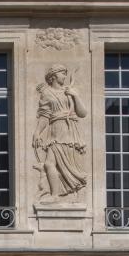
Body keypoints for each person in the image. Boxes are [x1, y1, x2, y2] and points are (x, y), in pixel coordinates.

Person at [33, 64, 88, 200]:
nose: (64, 76)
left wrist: (75, 96)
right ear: (53, 76)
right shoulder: (46, 93)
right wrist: (37, 132)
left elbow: (82, 113)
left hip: (69, 131)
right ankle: (55, 195)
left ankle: (68, 193)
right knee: (49, 163)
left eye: (65, 73)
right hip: (55, 130)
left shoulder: (69, 91)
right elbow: (45, 116)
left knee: (70, 164)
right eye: (62, 73)